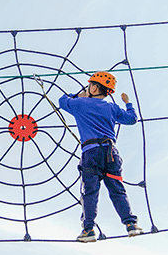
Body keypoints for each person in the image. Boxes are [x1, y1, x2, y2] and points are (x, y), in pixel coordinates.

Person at [58, 71, 143, 242]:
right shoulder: (112, 108)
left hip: (91, 153)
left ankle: (88, 229)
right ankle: (131, 225)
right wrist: (128, 103)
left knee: (90, 192)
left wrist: (77, 95)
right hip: (111, 153)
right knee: (117, 190)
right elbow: (132, 119)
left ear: (94, 87)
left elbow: (62, 101)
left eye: (89, 85)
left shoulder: (80, 104)